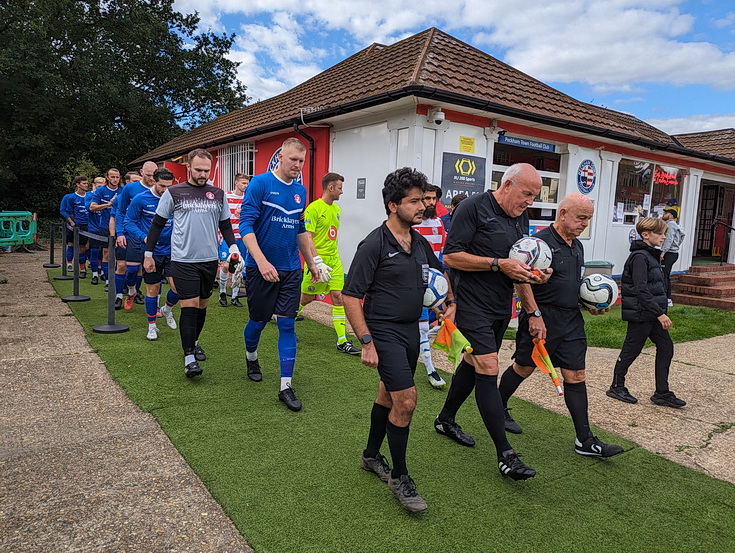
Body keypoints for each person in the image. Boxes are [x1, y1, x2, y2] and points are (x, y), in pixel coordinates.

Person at [343, 167, 456, 513]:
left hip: (411, 330)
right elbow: (350, 296)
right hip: (384, 332)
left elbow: (439, 275)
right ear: (393, 205)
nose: (423, 206)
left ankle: (370, 456)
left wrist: (448, 303)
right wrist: (366, 341)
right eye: (414, 201)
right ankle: (400, 477)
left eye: (424, 199)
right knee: (406, 401)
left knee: (387, 395)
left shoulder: (419, 243)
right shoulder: (374, 244)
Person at [433, 163, 549, 481]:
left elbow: (518, 267)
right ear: (507, 184)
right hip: (471, 306)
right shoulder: (473, 208)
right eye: (527, 193)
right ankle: (505, 454)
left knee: (472, 366)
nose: (530, 201)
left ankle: (445, 418)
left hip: (500, 308)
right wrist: (499, 264)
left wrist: (533, 307)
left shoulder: (519, 216)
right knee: (487, 367)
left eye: (535, 196)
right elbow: (451, 256)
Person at [499, 193, 624, 457]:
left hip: (571, 320)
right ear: (563, 213)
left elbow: (570, 284)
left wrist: (587, 303)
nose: (584, 224)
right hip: (541, 317)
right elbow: (521, 281)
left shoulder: (576, 246)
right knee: (523, 368)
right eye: (580, 218)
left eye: (588, 219)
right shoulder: (538, 244)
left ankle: (585, 439)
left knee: (576, 376)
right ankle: (496, 407)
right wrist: (534, 315)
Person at [239, 138, 326, 411]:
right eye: (293, 160)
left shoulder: (300, 191)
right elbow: (245, 225)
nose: (298, 166)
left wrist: (311, 263)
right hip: (261, 270)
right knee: (258, 321)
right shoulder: (260, 184)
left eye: (301, 161)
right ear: (280, 158)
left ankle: (285, 386)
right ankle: (251, 356)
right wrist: (261, 261)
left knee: (288, 324)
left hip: (290, 270)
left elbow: (300, 231)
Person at [144, 149, 241, 378]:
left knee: (202, 306)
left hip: (209, 260)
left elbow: (225, 225)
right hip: (183, 260)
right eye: (198, 169)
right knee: (189, 305)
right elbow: (157, 224)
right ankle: (189, 359)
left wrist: (234, 248)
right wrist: (148, 253)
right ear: (189, 167)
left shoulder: (217, 194)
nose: (202, 174)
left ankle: (195, 341)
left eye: (207, 170)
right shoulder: (175, 192)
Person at [607, 217, 686, 408]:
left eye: (664, 234)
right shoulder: (640, 257)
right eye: (660, 234)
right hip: (642, 314)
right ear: (646, 235)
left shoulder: (651, 255)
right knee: (631, 350)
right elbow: (641, 289)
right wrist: (660, 313)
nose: (663, 237)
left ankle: (662, 392)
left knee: (666, 347)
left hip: (651, 313)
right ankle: (617, 386)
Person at [296, 172, 361, 355]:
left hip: (334, 261)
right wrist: (316, 262)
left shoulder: (337, 210)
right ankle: (287, 321)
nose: (342, 192)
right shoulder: (313, 209)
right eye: (339, 188)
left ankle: (342, 341)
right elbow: (307, 237)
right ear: (330, 188)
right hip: (316, 262)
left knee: (338, 296)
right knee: (307, 298)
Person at [126, 168, 179, 340]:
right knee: (152, 290)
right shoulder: (141, 199)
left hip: (172, 251)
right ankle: (152, 326)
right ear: (153, 181)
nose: (165, 190)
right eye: (162, 185)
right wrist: (144, 238)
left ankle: (167, 309)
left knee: (178, 288)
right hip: (151, 252)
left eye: (169, 186)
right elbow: (129, 222)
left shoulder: (175, 198)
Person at [411, 184, 447, 388]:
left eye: (434, 198)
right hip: (410, 286)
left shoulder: (439, 224)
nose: (431, 202)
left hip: (430, 287)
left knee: (423, 329)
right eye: (427, 198)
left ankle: (431, 370)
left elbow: (441, 256)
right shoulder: (412, 225)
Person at [117, 161, 157, 311]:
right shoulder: (130, 188)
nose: (152, 178)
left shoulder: (160, 189)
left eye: (154, 175)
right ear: (141, 172)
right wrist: (120, 233)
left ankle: (154, 305)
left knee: (153, 271)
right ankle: (131, 290)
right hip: (133, 235)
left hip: (153, 237)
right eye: (149, 175)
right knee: (131, 270)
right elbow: (120, 211)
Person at [217, 173, 249, 307]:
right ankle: (222, 292)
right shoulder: (226, 196)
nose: (245, 186)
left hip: (243, 238)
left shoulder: (249, 198)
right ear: (236, 183)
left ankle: (235, 297)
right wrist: (218, 234)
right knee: (225, 264)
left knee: (239, 267)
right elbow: (218, 215)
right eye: (243, 183)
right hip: (227, 237)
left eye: (247, 183)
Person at [88, 169, 121, 289]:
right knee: (106, 254)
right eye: (112, 177)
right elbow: (92, 207)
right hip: (105, 226)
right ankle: (108, 281)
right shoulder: (101, 190)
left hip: (121, 227)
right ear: (107, 177)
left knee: (121, 257)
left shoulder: (123, 190)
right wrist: (108, 204)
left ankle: (121, 283)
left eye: (117, 177)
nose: (115, 179)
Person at [59, 176, 91, 277]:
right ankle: (74, 265)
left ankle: (85, 266)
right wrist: (71, 221)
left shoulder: (90, 195)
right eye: (84, 183)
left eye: (87, 183)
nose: (86, 185)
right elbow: (65, 210)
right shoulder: (70, 197)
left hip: (88, 225)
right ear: (78, 184)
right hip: (76, 225)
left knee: (85, 246)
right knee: (72, 243)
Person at [660, 208, 685, 307]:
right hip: (673, 253)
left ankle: (667, 298)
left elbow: (668, 239)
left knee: (664, 275)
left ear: (670, 216)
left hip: (669, 253)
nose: (663, 214)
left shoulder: (670, 225)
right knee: (665, 275)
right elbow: (683, 236)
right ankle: (667, 298)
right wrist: (677, 245)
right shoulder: (675, 225)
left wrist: (663, 252)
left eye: (665, 213)